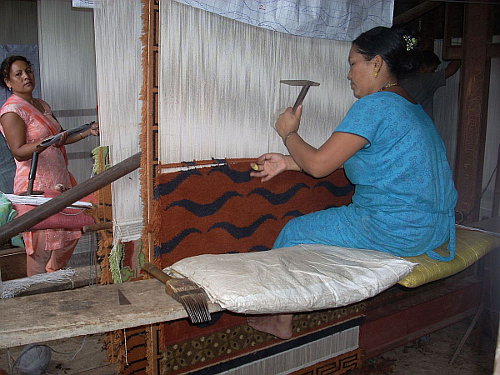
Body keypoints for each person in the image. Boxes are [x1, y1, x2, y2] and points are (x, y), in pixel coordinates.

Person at [248, 26, 458, 339]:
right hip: (434, 228)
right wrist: (288, 162)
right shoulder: (410, 106)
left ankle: (280, 321)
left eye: (352, 64)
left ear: (376, 64)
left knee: (294, 232)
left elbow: (320, 166)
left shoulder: (374, 106)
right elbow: (359, 157)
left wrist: (288, 133)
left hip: (396, 228)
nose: (348, 74)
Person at [0, 55, 99, 276]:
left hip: (59, 181)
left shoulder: (42, 105)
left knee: (67, 235)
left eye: (28, 70)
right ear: (8, 82)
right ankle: (37, 295)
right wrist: (44, 143)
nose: (26, 76)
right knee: (42, 243)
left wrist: (87, 132)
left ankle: (56, 282)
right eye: (19, 74)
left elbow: (60, 138)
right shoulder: (12, 112)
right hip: (36, 186)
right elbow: (18, 150)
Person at [400, 50, 461, 119]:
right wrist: (461, 51)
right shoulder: (423, 80)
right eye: (432, 70)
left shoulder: (401, 80)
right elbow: (451, 70)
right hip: (420, 125)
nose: (433, 73)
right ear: (422, 67)